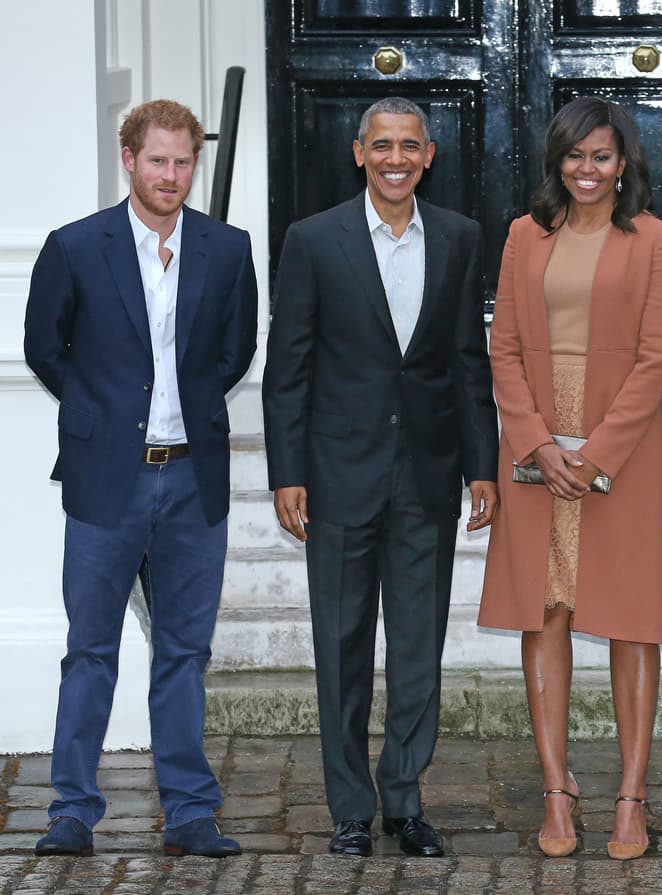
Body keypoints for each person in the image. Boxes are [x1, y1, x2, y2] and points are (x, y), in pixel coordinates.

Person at [262, 97, 499, 859]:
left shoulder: (460, 237)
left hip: (427, 472)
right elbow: (289, 367)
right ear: (359, 152)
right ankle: (349, 809)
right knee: (341, 648)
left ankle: (404, 798)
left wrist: (483, 464)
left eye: (410, 145)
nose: (396, 158)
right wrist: (288, 470)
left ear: (428, 155)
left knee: (418, 647)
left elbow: (467, 361)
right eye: (383, 145)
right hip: (338, 474)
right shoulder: (312, 239)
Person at [24, 100, 258, 858]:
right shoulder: (75, 246)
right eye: (157, 159)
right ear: (129, 159)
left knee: (185, 652)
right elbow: (44, 345)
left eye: (183, 161)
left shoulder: (227, 248)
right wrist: (97, 410)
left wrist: (190, 405)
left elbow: (235, 350)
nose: (171, 174)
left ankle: (190, 812)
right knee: (90, 649)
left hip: (193, 477)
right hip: (106, 479)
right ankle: (71, 810)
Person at [477, 96, 662, 860]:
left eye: (600, 156)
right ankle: (557, 789)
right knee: (546, 609)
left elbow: (658, 357)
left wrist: (596, 452)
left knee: (631, 616)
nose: (586, 169)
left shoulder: (656, 239)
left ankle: (631, 794)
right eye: (573, 155)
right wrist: (535, 441)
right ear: (555, 161)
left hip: (620, 445)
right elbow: (503, 346)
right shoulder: (523, 235)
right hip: (536, 439)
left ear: (623, 162)